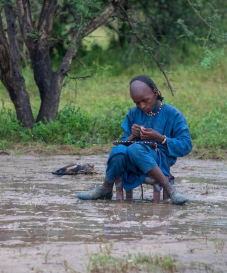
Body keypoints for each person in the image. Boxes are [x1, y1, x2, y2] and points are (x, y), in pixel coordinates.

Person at [77, 75, 191, 205]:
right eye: (137, 103)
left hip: (159, 159)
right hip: (132, 160)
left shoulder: (172, 113)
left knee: (135, 148)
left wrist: (160, 138)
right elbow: (125, 141)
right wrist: (132, 136)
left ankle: (170, 189)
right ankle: (106, 188)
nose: (141, 106)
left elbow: (186, 145)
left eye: (145, 100)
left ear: (155, 93)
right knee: (119, 149)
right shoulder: (133, 113)